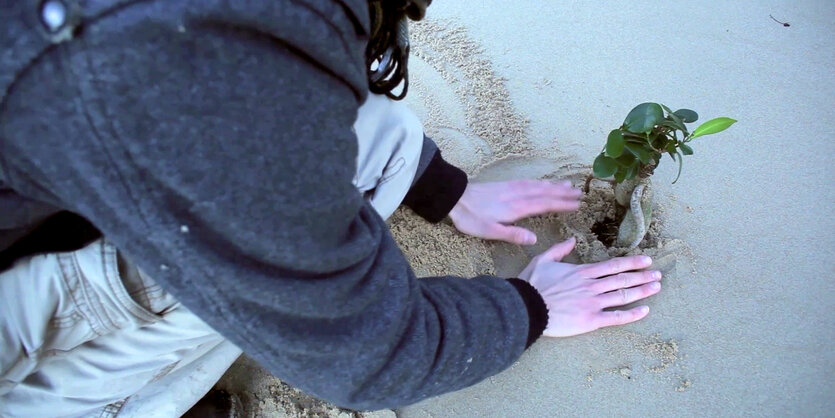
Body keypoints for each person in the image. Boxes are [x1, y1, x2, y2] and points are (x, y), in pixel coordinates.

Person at [0, 0, 662, 416]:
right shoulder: (191, 80)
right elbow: (367, 356)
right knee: (213, 299)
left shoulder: (225, 33)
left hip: (53, 173)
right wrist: (527, 307)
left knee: (383, 133)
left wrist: (444, 190)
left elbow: (291, 98)